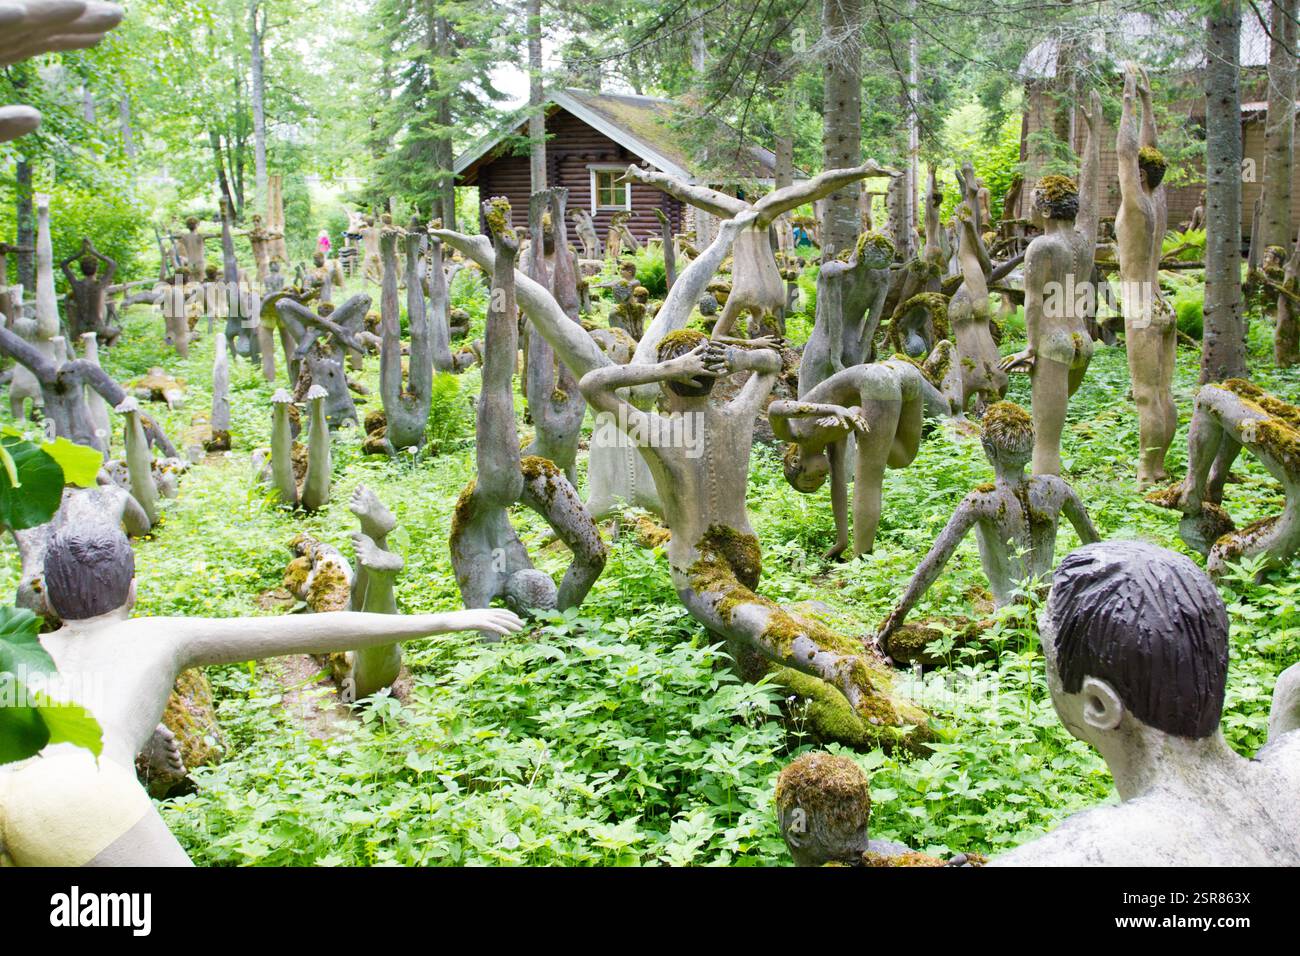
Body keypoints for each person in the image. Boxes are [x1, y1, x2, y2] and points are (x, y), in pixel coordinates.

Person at [0, 523, 523, 866]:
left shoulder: (21, 649)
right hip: (81, 795)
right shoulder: (158, 634)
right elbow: (313, 632)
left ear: (47, 589)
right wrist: (449, 619)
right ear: (132, 586)